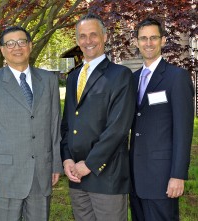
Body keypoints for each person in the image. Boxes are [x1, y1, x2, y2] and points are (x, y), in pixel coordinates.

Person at [0, 26, 62, 221]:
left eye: (22, 42)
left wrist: (55, 163)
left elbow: (54, 125)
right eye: (10, 43)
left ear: (30, 46)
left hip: (42, 172)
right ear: (2, 50)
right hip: (6, 175)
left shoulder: (49, 80)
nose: (17, 47)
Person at [60, 13, 135, 221]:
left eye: (93, 34)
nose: (88, 41)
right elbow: (68, 122)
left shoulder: (120, 75)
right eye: (82, 36)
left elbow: (118, 128)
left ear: (104, 36)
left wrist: (90, 164)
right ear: (77, 40)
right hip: (76, 175)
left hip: (106, 174)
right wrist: (66, 158)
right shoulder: (74, 76)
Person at [129, 18, 194, 221]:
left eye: (154, 38)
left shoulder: (177, 77)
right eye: (143, 38)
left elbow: (184, 132)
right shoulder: (133, 78)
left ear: (163, 40)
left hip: (163, 177)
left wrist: (178, 175)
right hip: (135, 176)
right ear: (137, 42)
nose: (148, 43)